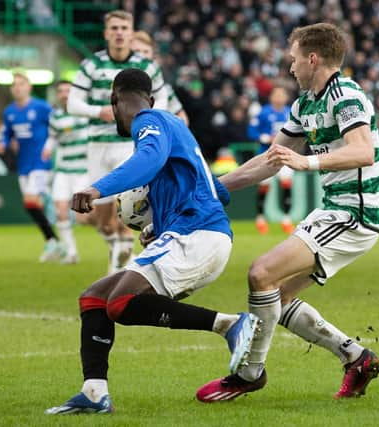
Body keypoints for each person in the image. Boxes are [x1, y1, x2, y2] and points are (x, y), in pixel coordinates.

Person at [45, 68, 259, 415]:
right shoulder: (176, 128)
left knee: (121, 303)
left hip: (198, 234)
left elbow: (148, 160)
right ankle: (94, 392)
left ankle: (229, 324)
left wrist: (97, 188)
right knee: (94, 299)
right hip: (193, 231)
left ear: (113, 100)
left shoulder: (150, 121)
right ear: (152, 95)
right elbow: (216, 191)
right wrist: (161, 222)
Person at [196, 23, 379, 402]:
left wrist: (307, 162)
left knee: (260, 272)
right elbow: (270, 161)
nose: (290, 67)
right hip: (335, 209)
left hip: (355, 213)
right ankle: (356, 357)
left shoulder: (344, 94)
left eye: (294, 59)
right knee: (275, 298)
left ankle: (249, 373)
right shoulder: (305, 103)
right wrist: (214, 189)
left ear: (313, 58)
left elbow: (363, 150)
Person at [67, 10, 168, 274]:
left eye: (124, 28)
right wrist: (97, 111)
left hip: (129, 145)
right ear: (106, 33)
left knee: (127, 207)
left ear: (130, 32)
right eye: (114, 28)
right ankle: (118, 249)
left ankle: (120, 265)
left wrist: (148, 123)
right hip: (98, 145)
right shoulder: (91, 65)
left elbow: (163, 100)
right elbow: (72, 103)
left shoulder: (146, 67)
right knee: (101, 219)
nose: (120, 32)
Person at [0, 70, 60, 262]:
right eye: (14, 85)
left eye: (21, 84)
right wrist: (3, 144)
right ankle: (53, 240)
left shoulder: (41, 107)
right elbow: (7, 133)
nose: (17, 88)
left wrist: (50, 146)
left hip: (40, 161)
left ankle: (53, 238)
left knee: (31, 201)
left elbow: (55, 126)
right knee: (31, 205)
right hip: (23, 163)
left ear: (29, 87)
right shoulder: (10, 111)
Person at [41, 80, 91, 264]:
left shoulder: (85, 112)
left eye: (67, 91)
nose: (64, 94)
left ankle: (115, 239)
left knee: (83, 217)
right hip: (63, 170)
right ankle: (71, 253)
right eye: (60, 91)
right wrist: (47, 148)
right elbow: (53, 137)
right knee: (60, 209)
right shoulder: (56, 117)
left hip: (83, 170)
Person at [247, 87, 295, 235]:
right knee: (264, 186)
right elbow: (251, 131)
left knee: (286, 183)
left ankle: (286, 219)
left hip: (286, 154)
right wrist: (266, 138)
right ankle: (260, 218)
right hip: (267, 154)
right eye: (277, 95)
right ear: (271, 97)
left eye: (282, 95)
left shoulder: (290, 112)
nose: (279, 98)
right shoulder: (264, 112)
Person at [131, 30, 190, 125]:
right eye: (136, 51)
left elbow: (182, 118)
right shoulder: (111, 79)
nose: (141, 56)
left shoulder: (164, 87)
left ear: (152, 55)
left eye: (146, 51)